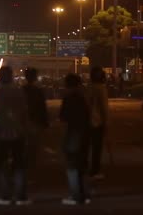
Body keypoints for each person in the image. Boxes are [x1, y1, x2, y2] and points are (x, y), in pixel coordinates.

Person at [0, 66, 29, 206]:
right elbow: (25, 112)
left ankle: (5, 196)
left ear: (0, 77)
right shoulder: (19, 92)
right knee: (19, 165)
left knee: (1, 165)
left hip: (1, 133)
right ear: (12, 76)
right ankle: (20, 196)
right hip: (18, 132)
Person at [59, 74, 91, 205]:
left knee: (72, 165)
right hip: (85, 133)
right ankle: (84, 194)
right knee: (82, 165)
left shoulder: (68, 98)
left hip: (73, 133)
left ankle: (75, 196)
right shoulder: (83, 98)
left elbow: (63, 117)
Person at [22, 68, 49, 171]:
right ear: (35, 77)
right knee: (33, 147)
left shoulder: (21, 90)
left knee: (24, 147)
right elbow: (42, 108)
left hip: (24, 122)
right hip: (35, 122)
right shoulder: (38, 91)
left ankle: (23, 168)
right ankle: (31, 168)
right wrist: (45, 122)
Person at [87, 67, 109, 179]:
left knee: (87, 146)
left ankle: (86, 169)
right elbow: (104, 108)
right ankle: (95, 171)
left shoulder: (88, 87)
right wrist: (106, 122)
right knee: (96, 147)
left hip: (87, 121)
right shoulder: (101, 88)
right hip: (97, 121)